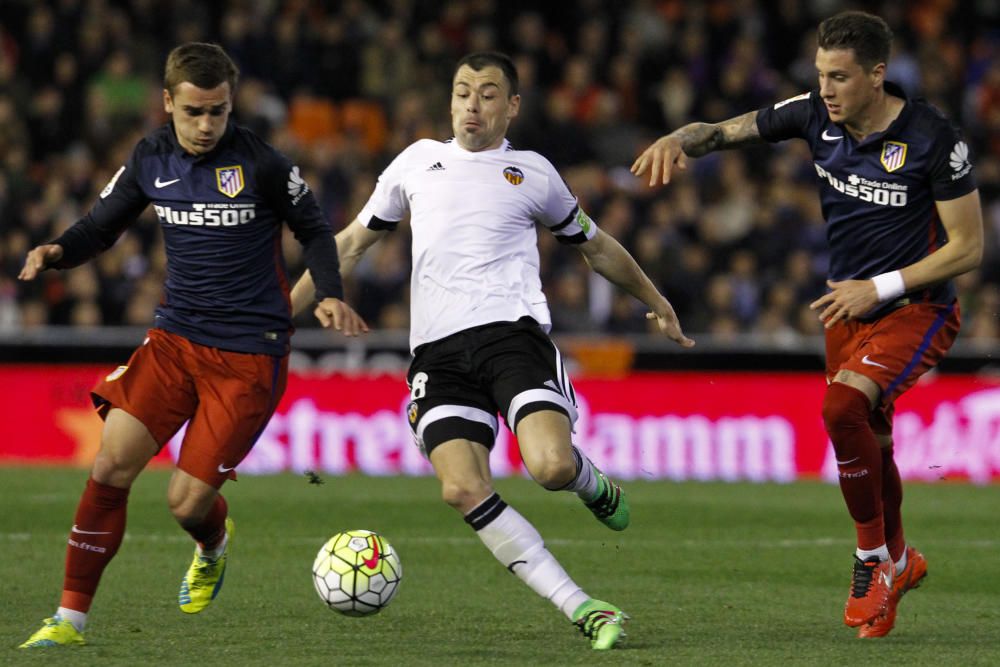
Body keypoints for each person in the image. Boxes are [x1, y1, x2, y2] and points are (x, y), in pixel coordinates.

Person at [292, 51, 693, 651]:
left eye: (485, 93)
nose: (470, 105)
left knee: (551, 467)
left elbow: (597, 246)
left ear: (512, 106)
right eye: (460, 92)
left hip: (512, 336)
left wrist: (656, 299)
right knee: (460, 488)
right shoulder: (415, 163)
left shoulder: (532, 172)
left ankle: (590, 483)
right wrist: (277, 316)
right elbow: (349, 243)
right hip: (437, 355)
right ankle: (584, 608)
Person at [632, 11, 983, 638]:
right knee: (871, 436)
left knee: (841, 406)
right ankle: (900, 561)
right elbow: (720, 131)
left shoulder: (935, 139)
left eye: (840, 78)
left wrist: (879, 286)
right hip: (845, 310)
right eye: (820, 75)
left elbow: (968, 247)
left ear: (877, 76)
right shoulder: (813, 112)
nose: (826, 89)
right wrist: (676, 141)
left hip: (916, 306)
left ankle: (872, 557)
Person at [18, 42, 366, 649]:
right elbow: (102, 226)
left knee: (185, 504)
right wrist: (58, 252)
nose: (207, 126)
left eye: (219, 112)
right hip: (174, 339)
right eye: (194, 112)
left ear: (231, 105)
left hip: (249, 355)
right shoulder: (149, 157)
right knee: (110, 464)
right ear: (167, 103)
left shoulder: (261, 163)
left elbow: (314, 229)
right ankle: (69, 620)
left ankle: (212, 543)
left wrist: (329, 291)